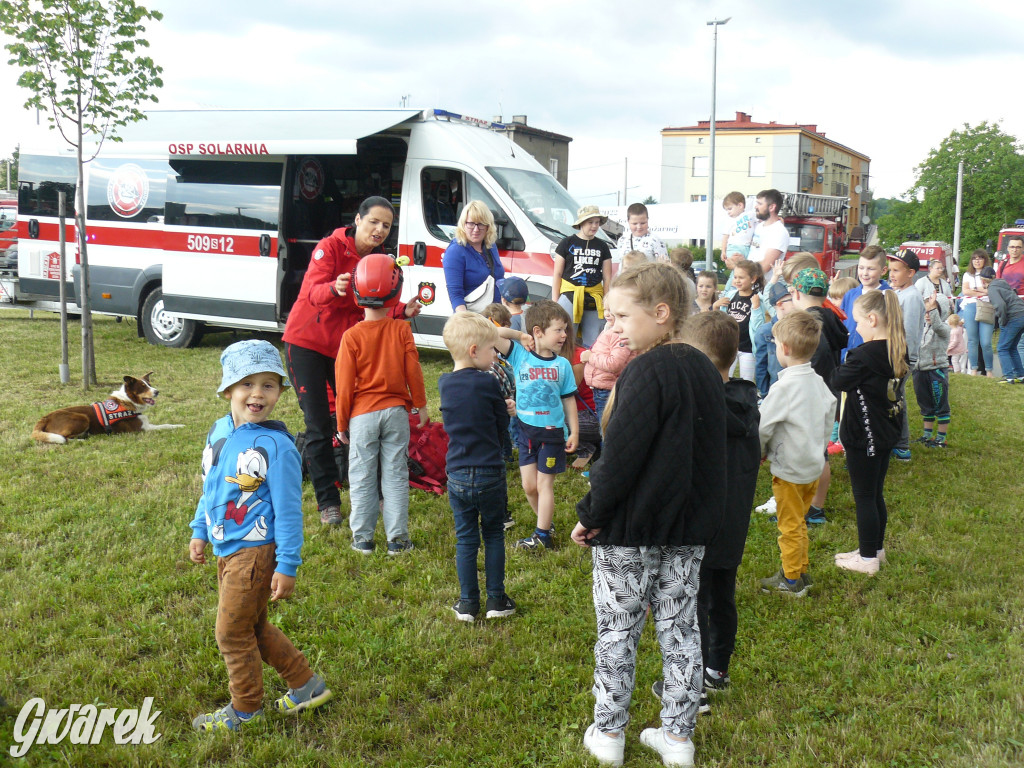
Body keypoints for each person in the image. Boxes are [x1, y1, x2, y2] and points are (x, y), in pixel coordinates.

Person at [572, 263, 726, 768]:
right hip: (687, 529)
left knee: (619, 629)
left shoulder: (645, 371)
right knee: (681, 631)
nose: (612, 325)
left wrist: (591, 514)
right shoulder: (706, 370)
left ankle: (609, 734)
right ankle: (678, 739)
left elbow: (620, 459)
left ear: (661, 313)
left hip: (630, 532)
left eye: (621, 316)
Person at [189, 340, 331, 732]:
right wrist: (200, 529)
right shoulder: (219, 431)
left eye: (268, 385)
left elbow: (289, 511)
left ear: (280, 392)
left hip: (255, 554)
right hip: (226, 548)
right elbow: (211, 488)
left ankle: (246, 710)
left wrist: (287, 564)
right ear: (227, 390)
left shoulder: (277, 447)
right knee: (251, 626)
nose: (257, 393)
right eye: (247, 384)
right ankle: (306, 685)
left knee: (231, 633)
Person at [282, 196, 420, 527]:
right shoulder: (329, 247)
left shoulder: (378, 259)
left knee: (359, 418)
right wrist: (335, 288)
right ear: (358, 219)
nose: (379, 230)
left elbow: (374, 302)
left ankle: (377, 492)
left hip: (343, 348)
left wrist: (403, 310)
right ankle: (328, 501)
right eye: (374, 222)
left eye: (386, 225)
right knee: (318, 425)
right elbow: (311, 292)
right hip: (305, 343)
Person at [678, 310, 760, 711]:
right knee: (722, 596)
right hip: (733, 524)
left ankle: (692, 686)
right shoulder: (748, 403)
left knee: (691, 603)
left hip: (699, 525)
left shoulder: (698, 411)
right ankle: (717, 670)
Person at [335, 254, 427, 555]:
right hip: (396, 413)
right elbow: (413, 370)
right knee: (396, 474)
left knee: (362, 476)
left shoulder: (351, 337)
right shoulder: (402, 329)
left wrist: (341, 424)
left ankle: (362, 539)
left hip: (362, 416)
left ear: (356, 293)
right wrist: (421, 404)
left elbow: (344, 386)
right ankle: (397, 540)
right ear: (396, 293)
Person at [439, 312, 517, 622]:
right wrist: (506, 409)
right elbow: (500, 426)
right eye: (491, 349)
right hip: (489, 472)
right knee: (494, 534)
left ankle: (467, 603)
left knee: (466, 538)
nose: (495, 355)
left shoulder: (445, 383)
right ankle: (496, 599)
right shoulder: (489, 382)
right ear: (474, 351)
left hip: (457, 472)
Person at [757, 312, 836, 596]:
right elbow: (829, 417)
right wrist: (819, 446)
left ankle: (790, 580)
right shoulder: (818, 382)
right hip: (812, 467)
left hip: (789, 471)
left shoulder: (783, 388)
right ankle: (800, 570)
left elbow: (763, 426)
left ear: (785, 349)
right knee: (799, 521)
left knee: (789, 526)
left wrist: (759, 452)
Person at [832, 290, 908, 575]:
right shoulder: (897, 348)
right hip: (886, 431)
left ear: (873, 319)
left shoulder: (864, 356)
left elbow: (838, 380)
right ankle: (875, 550)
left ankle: (867, 560)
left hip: (864, 436)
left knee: (864, 496)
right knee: (875, 493)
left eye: (858, 322)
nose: (856, 328)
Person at [494, 300, 579, 551]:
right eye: (558, 330)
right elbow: (489, 331)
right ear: (538, 332)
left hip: (552, 435)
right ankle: (546, 525)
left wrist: (574, 431)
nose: (564, 335)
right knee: (529, 487)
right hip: (525, 432)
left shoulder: (562, 365)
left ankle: (542, 535)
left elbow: (569, 400)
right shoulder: (518, 354)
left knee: (544, 484)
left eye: (565, 330)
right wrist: (519, 335)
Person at [788, 268, 849, 524]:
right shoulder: (830, 318)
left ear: (796, 294)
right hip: (827, 394)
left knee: (803, 455)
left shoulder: (808, 325)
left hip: (809, 397)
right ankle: (815, 507)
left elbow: (809, 364)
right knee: (819, 453)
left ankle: (808, 508)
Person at [553, 205, 613, 348]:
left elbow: (607, 277)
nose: (594, 226)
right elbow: (557, 274)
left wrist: (607, 303)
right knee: (564, 338)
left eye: (597, 222)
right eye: (590, 222)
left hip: (594, 297)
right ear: (581, 223)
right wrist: (555, 302)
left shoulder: (603, 246)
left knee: (595, 342)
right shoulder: (566, 243)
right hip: (569, 294)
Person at [887, 249, 926, 463]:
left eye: (896, 271)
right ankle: (896, 441)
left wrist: (902, 359)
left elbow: (909, 332)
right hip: (895, 354)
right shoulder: (900, 293)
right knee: (894, 397)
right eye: (890, 270)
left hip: (902, 357)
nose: (891, 275)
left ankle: (901, 446)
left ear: (910, 273)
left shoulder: (911, 297)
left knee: (896, 398)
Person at [444, 200, 505, 313]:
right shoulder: (455, 251)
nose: (476, 229)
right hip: (472, 317)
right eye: (471, 224)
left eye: (481, 224)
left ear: (488, 226)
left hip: (495, 315)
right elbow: (455, 294)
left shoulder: (490, 246)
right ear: (463, 224)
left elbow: (499, 279)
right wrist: (466, 319)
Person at [582, 306, 636, 428]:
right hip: (602, 389)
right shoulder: (608, 329)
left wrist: (590, 357)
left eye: (611, 309)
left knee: (607, 429)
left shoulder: (618, 334)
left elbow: (614, 363)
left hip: (608, 391)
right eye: (605, 309)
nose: (606, 313)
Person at [714, 259, 765, 382]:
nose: (737, 280)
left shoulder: (757, 298)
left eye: (741, 277)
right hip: (730, 346)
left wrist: (756, 308)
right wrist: (716, 306)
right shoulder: (730, 296)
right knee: (723, 378)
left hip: (747, 348)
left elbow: (758, 326)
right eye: (735, 277)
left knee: (746, 381)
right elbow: (721, 320)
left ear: (753, 279)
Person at [912, 292, 951, 446]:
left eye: (932, 311)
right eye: (925, 311)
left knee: (940, 404)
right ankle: (927, 435)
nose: (928, 315)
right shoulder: (922, 328)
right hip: (919, 371)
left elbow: (937, 325)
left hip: (936, 371)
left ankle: (941, 438)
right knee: (925, 404)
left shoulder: (944, 328)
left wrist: (933, 307)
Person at [841, 245, 891, 359]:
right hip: (847, 356)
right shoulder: (850, 294)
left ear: (883, 270)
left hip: (872, 357)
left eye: (871, 269)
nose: (864, 273)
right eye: (861, 268)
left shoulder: (888, 296)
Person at [981, 267, 1024, 383]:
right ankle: (1020, 375)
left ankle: (1008, 376)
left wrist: (1002, 321)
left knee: (1002, 348)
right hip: (1022, 314)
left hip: (1014, 317)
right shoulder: (1002, 284)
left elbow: (1000, 305)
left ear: (983, 280)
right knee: (1012, 347)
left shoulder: (992, 288)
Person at [960, 249, 995, 376]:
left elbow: (991, 290)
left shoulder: (990, 273)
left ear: (985, 260)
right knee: (972, 340)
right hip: (970, 306)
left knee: (986, 342)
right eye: (974, 258)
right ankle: (973, 369)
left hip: (986, 307)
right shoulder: (967, 275)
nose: (977, 261)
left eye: (980, 258)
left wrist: (974, 289)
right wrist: (982, 290)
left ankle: (989, 370)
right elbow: (965, 291)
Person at [747, 189, 790, 279]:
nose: (755, 206)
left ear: (771, 207)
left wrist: (742, 270)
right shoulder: (759, 226)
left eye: (760, 204)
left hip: (763, 285)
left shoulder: (779, 232)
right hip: (749, 282)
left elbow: (765, 266)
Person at [720, 190, 755, 261]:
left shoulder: (750, 215)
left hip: (747, 247)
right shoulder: (729, 220)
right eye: (726, 210)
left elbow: (762, 219)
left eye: (730, 209)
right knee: (736, 265)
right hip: (734, 247)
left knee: (746, 266)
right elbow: (725, 237)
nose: (728, 212)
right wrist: (723, 251)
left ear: (740, 205)